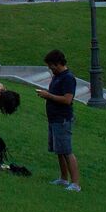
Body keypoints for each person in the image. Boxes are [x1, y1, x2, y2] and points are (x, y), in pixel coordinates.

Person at [36, 50, 80, 191]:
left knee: (66, 150)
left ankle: (75, 183)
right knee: (59, 150)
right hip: (53, 118)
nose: (50, 69)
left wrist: (48, 96)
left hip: (62, 119)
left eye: (51, 66)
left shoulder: (68, 78)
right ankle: (63, 178)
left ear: (58, 64)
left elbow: (67, 99)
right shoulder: (57, 76)